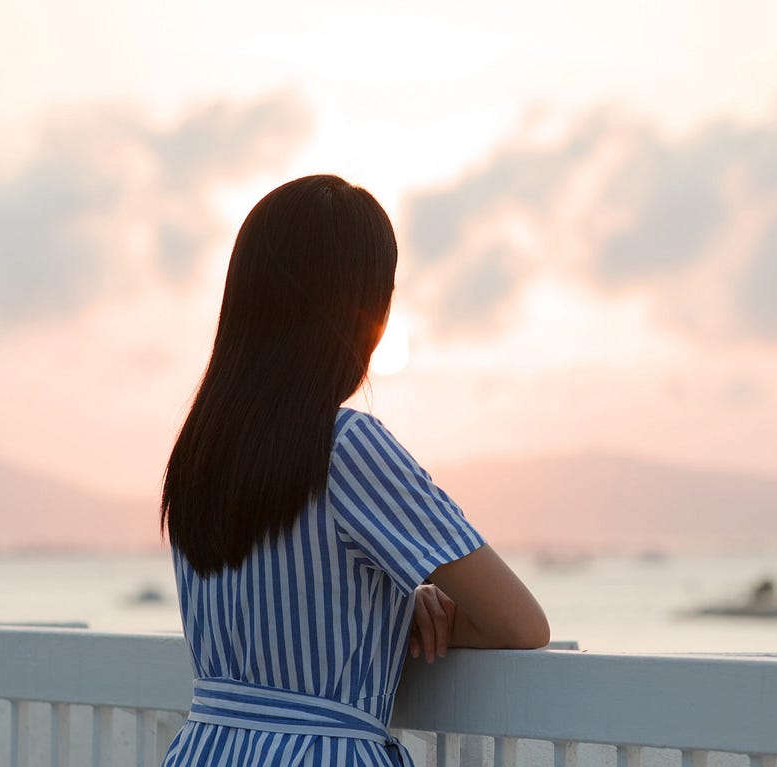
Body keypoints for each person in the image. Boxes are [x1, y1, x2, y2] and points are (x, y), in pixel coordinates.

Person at [158, 174, 549, 767]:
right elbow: (521, 624)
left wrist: (383, 604)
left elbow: (286, 603)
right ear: (364, 311)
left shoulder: (200, 454)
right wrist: (402, 611)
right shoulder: (346, 447)